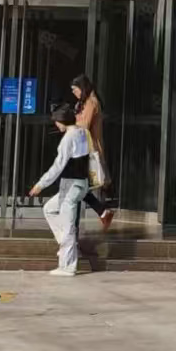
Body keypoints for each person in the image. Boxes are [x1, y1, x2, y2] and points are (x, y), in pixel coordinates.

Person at [29, 102, 92, 277]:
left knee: (67, 226)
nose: (56, 125)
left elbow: (58, 166)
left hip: (71, 185)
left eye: (56, 121)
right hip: (81, 184)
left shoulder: (68, 138)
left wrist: (40, 184)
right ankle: (67, 247)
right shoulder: (83, 132)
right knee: (49, 209)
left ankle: (67, 266)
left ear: (62, 120)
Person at [71, 75, 116, 232]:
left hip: (88, 150)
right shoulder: (86, 102)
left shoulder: (91, 103)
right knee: (78, 185)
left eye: (75, 90)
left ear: (82, 88)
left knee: (77, 185)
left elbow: (84, 125)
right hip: (84, 149)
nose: (74, 93)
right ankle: (102, 212)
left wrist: (71, 120)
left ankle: (79, 219)